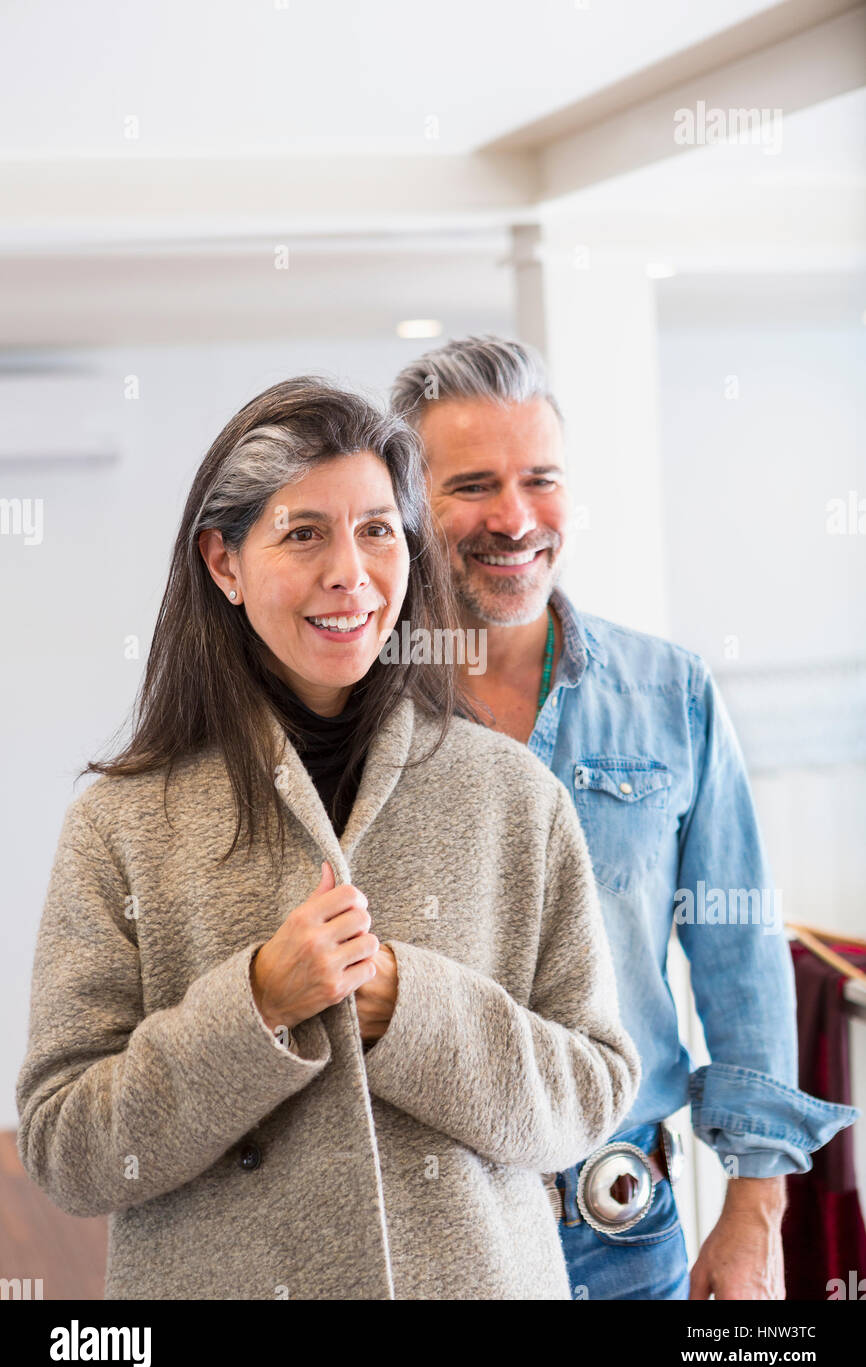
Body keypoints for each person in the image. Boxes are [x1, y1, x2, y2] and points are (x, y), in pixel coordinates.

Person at [16, 377, 640, 1301]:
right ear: (223, 562)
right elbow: (68, 1152)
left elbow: (589, 1099)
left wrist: (409, 1009)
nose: (350, 571)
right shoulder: (123, 823)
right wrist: (257, 1005)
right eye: (303, 533)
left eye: (378, 530)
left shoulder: (515, 797)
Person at [390, 334, 858, 1301]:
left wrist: (753, 1213)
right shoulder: (358, 707)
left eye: (541, 479)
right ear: (405, 504)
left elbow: (737, 954)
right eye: (472, 484)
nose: (515, 518)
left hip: (624, 1220)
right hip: (429, 1224)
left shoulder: (669, 693)